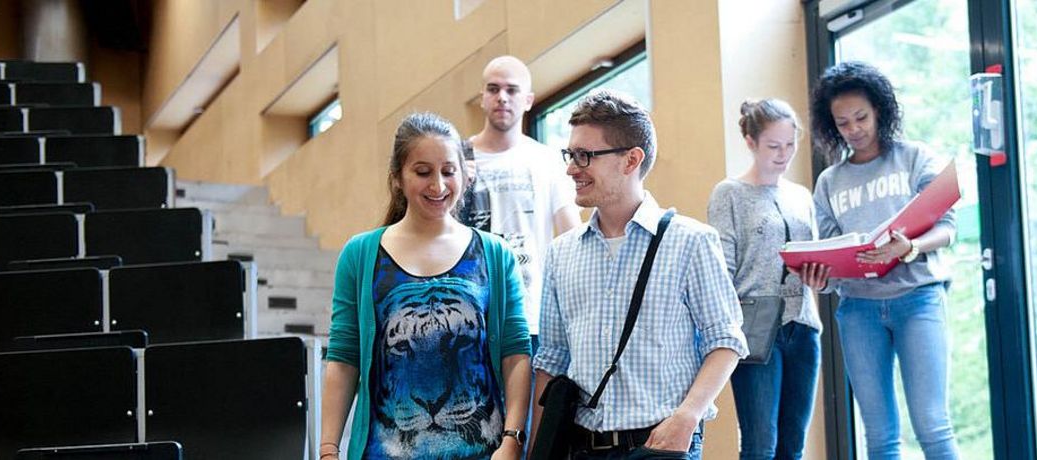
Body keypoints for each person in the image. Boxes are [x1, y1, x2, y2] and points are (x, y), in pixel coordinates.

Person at [530, 89, 748, 459]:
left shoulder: (691, 242)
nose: (571, 168)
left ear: (631, 160)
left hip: (662, 446)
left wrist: (687, 417)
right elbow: (551, 360)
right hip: (581, 448)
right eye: (570, 154)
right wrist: (537, 451)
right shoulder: (560, 253)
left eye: (585, 156)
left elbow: (726, 341)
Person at [320, 113, 532, 459]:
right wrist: (329, 449)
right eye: (422, 172)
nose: (438, 185)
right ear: (397, 179)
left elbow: (516, 354)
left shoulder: (495, 254)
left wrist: (512, 439)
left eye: (449, 171)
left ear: (464, 175)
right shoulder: (360, 255)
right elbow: (344, 359)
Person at [809, 61, 961, 459]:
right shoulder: (829, 182)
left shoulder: (913, 158)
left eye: (861, 117)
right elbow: (828, 249)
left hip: (918, 300)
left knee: (933, 425)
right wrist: (817, 276)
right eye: (843, 123)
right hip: (858, 309)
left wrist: (907, 248)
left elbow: (947, 228)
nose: (854, 129)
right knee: (879, 435)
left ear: (880, 110)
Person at [707, 99, 830, 460]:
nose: (784, 154)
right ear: (750, 142)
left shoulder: (800, 196)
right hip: (756, 329)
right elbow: (722, 270)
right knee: (761, 445)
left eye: (790, 145)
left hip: (804, 327)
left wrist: (818, 274)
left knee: (793, 445)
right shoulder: (728, 193)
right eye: (773, 146)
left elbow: (815, 258)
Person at [463, 55, 581, 352]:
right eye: (493, 89)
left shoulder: (547, 160)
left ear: (528, 100)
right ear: (482, 97)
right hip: (469, 314)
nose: (502, 97)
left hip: (531, 317)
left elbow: (571, 237)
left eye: (511, 90)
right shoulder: (456, 157)